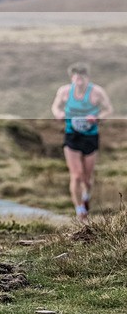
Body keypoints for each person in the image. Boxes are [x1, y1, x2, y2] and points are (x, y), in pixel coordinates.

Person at [51, 62, 113, 221]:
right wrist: (58, 114)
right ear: (72, 78)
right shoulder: (64, 91)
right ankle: (79, 210)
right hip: (72, 136)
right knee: (76, 175)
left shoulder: (97, 92)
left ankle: (86, 196)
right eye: (76, 77)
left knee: (87, 179)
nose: (79, 80)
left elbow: (108, 109)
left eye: (82, 77)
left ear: (87, 78)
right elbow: (56, 107)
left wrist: (97, 118)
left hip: (90, 136)